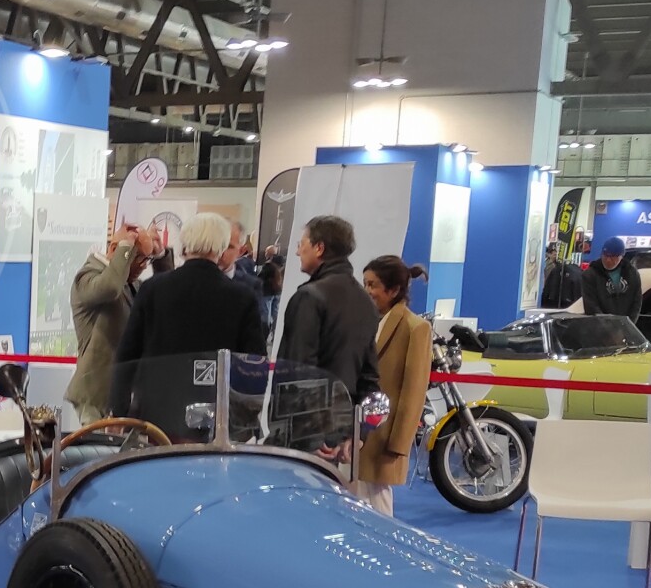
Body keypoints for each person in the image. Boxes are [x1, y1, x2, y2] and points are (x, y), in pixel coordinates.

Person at [108, 211, 268, 419]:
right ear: (220, 247)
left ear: (185, 244)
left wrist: (119, 410)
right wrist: (245, 417)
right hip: (215, 414)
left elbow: (128, 353)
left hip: (156, 411)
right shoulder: (242, 297)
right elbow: (253, 363)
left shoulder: (152, 289)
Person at [353, 256, 433, 516]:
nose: (367, 291)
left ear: (394, 290)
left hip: (385, 436)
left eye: (373, 285)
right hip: (358, 431)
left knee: (378, 504)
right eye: (365, 284)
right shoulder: (366, 322)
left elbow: (414, 392)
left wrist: (398, 444)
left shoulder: (415, 328)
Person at [276, 213, 382, 401]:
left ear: (319, 248)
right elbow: (368, 375)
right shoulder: (366, 301)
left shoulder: (309, 297)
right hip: (346, 412)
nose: (298, 252)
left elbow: (297, 371)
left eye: (301, 244)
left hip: (308, 413)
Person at [64, 223, 153, 423]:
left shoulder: (129, 283)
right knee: (98, 444)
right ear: (114, 249)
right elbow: (110, 288)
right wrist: (125, 248)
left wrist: (161, 255)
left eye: (148, 259)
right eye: (139, 258)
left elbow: (159, 293)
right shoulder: (86, 278)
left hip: (124, 392)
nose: (144, 266)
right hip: (96, 394)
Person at [579, 238, 642, 318]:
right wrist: (607, 323)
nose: (608, 260)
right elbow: (591, 306)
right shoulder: (590, 274)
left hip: (625, 324)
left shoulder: (632, 273)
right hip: (599, 324)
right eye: (605, 255)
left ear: (621, 256)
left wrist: (629, 323)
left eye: (613, 257)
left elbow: (637, 303)